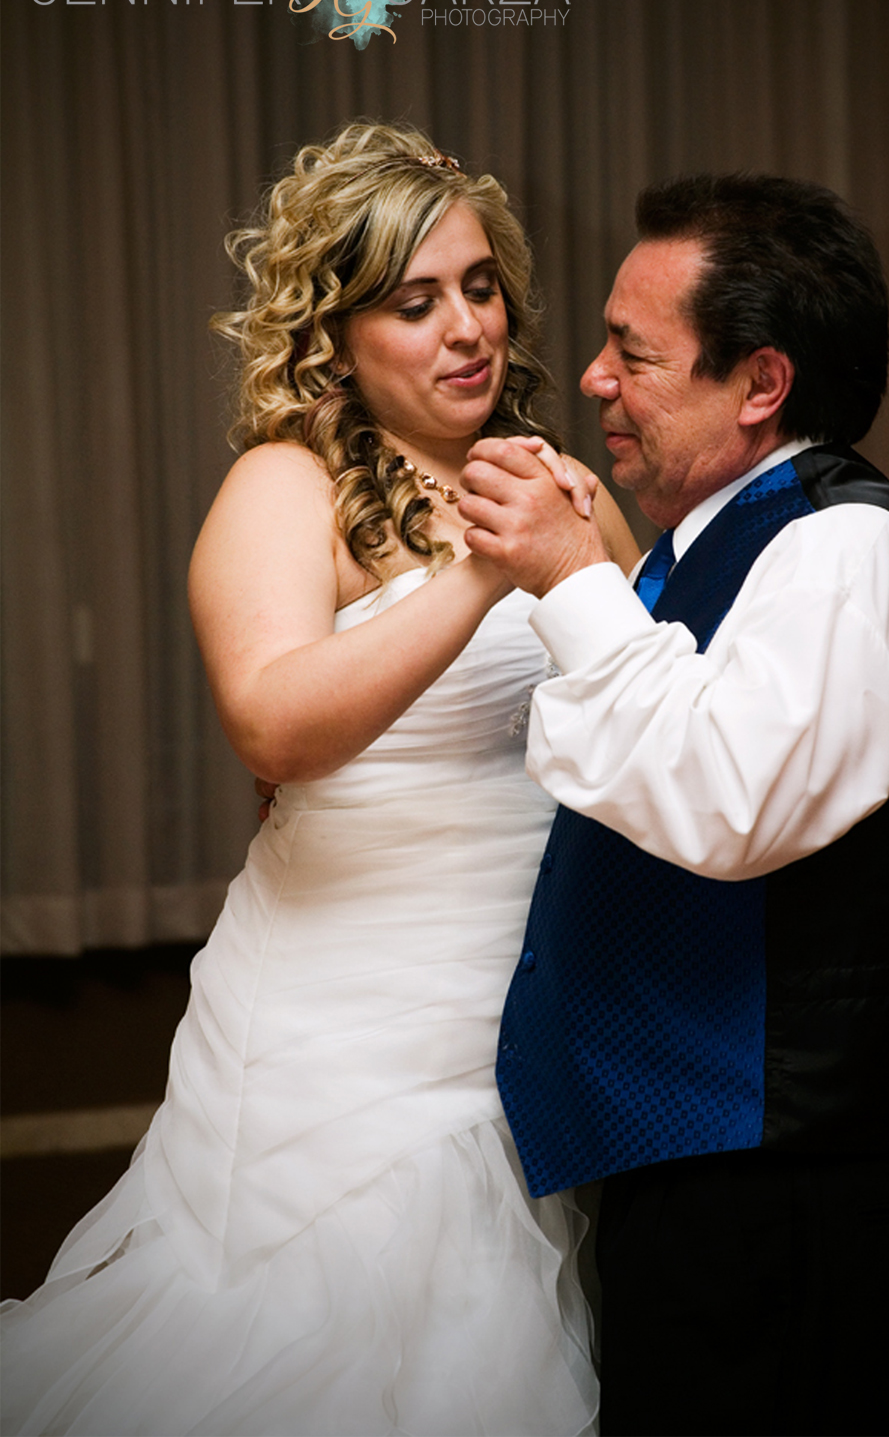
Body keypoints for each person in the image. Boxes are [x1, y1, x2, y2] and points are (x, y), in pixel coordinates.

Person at [0, 122, 637, 1436]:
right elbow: (272, 728)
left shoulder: (559, 482)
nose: (466, 326)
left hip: (536, 985)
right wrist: (479, 567)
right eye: (415, 301)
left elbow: (642, 706)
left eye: (479, 284)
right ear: (334, 336)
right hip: (347, 1009)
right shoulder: (286, 487)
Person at [456, 173, 889, 1436]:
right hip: (696, 1170)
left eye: (633, 354)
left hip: (793, 1196)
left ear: (760, 383)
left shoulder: (848, 553)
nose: (590, 379)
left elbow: (726, 798)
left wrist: (578, 582)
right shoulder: (702, 541)